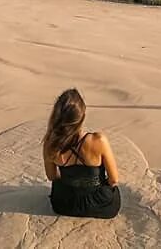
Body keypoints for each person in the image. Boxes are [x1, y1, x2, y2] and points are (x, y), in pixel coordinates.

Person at [42, 88, 121, 219]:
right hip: (101, 204)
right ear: (82, 117)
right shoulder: (98, 140)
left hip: (65, 205)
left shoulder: (50, 144)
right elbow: (114, 180)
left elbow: (52, 177)